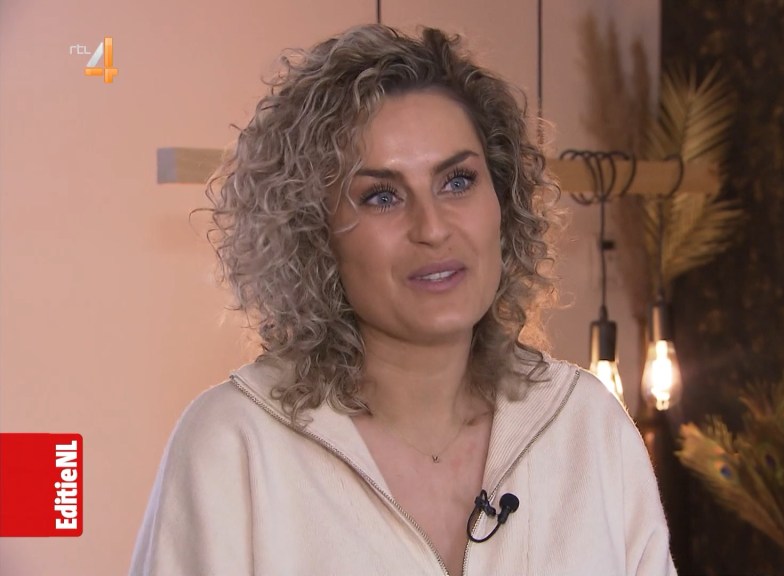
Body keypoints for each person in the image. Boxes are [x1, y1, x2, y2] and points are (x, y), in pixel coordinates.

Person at [130, 24, 676, 576]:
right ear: (313, 234)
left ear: (504, 202)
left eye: (457, 181)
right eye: (382, 196)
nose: (433, 228)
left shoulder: (588, 427)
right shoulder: (233, 446)